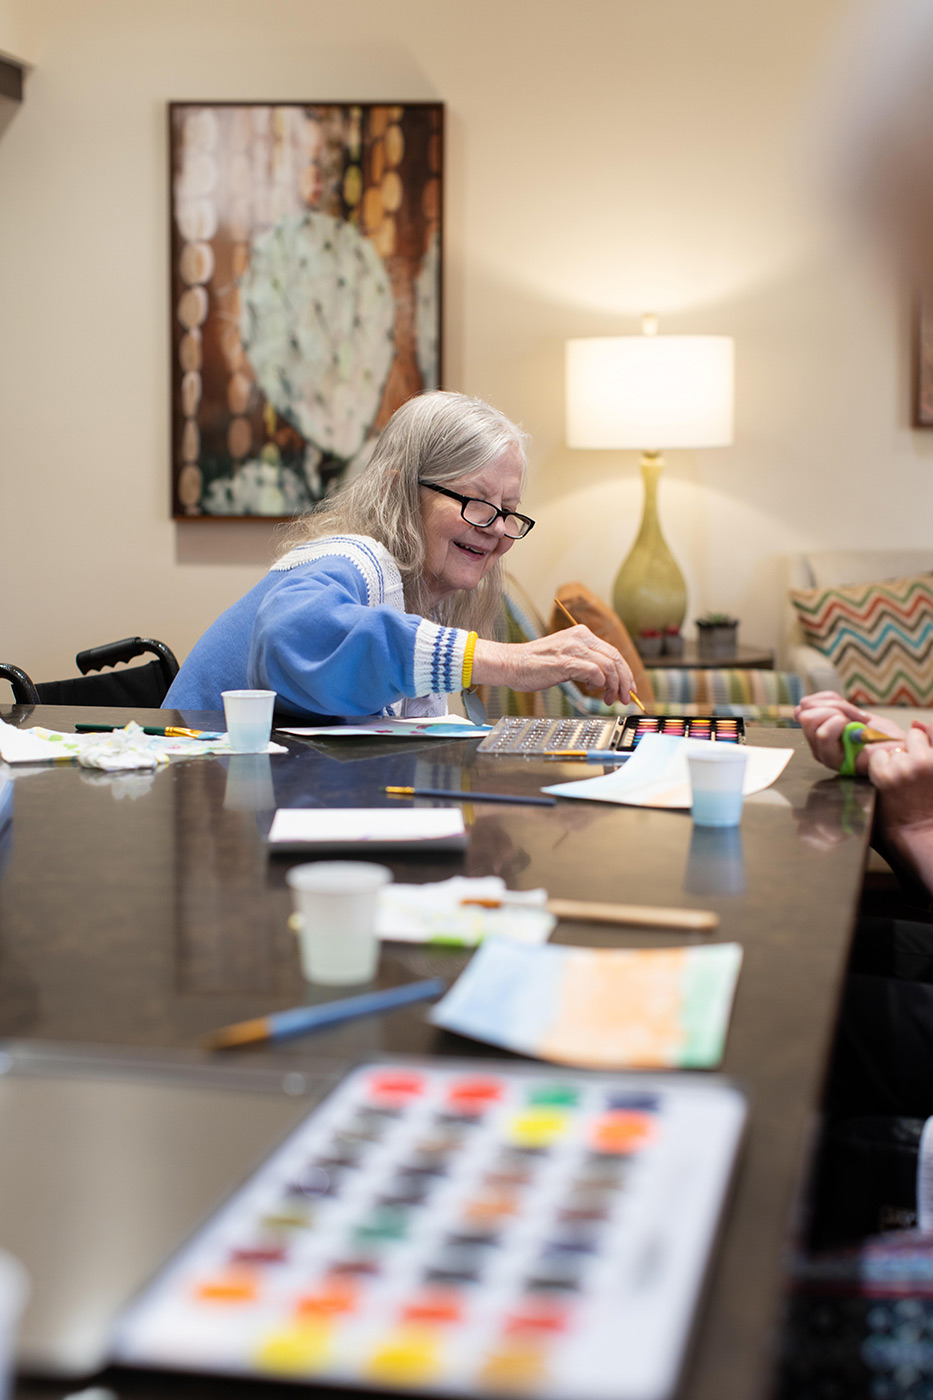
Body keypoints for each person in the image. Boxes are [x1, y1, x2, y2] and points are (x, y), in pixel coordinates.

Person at [165, 391, 635, 720]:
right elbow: (288, 635)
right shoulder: (350, 559)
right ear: (398, 491)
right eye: (475, 502)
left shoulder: (422, 591)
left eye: (508, 512)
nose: (496, 530)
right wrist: (509, 662)